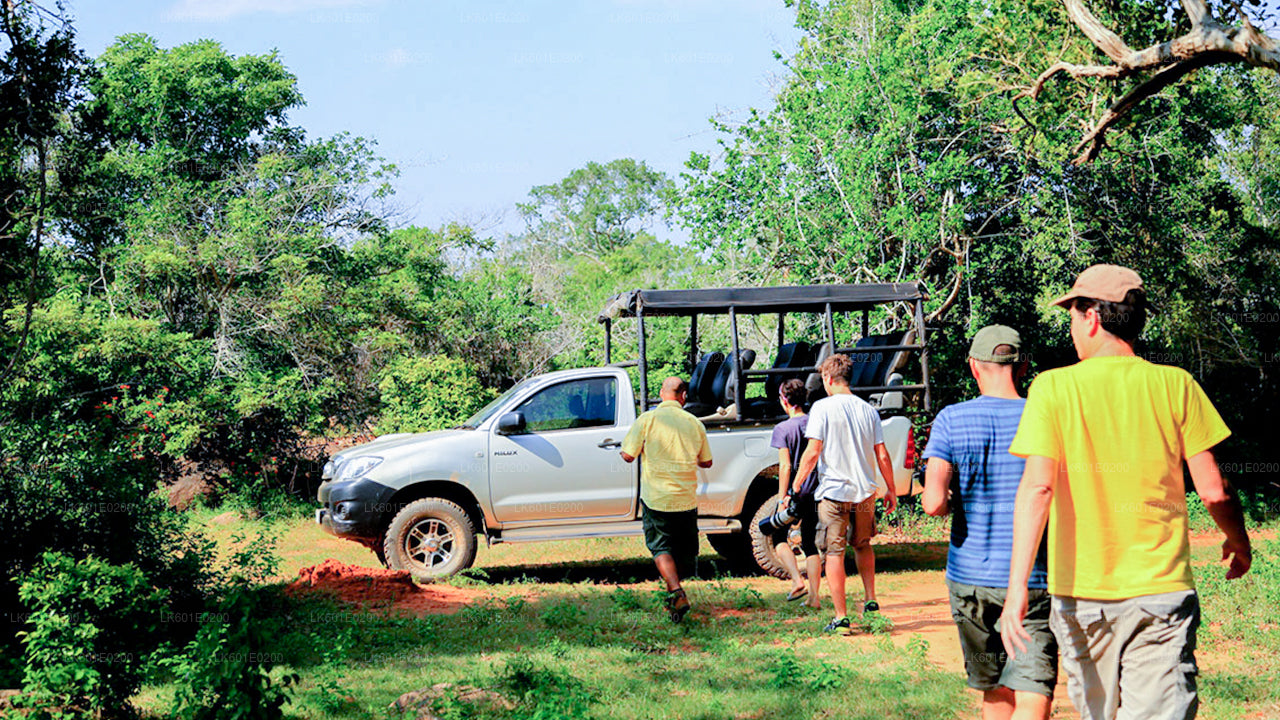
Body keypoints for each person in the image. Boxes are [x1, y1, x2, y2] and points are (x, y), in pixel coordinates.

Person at [1000, 264, 1252, 720]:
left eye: (1073, 314)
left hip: (1081, 596)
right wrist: (1239, 540)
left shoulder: (1052, 388)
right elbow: (1214, 491)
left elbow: (1038, 487)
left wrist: (1017, 587)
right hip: (1160, 591)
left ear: (1092, 316)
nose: (1072, 327)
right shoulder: (1176, 384)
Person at [922, 325, 1057, 720]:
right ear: (1024, 367)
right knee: (1033, 687)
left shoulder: (951, 419)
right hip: (1034, 576)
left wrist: (951, 501)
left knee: (993, 686)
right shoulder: (1045, 416)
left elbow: (932, 503)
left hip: (970, 580)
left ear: (973, 367)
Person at [794, 353, 898, 633]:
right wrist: (891, 489)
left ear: (828, 379)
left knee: (835, 553)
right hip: (864, 492)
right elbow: (882, 454)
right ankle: (871, 602)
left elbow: (813, 451)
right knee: (863, 545)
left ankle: (841, 618)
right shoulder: (868, 410)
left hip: (834, 492)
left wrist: (797, 482)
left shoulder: (821, 408)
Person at [620, 376, 713, 622]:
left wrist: (627, 449)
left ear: (662, 393)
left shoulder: (647, 420)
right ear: (683, 396)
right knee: (682, 550)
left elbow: (628, 456)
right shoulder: (694, 423)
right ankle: (674, 598)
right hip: (685, 499)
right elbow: (707, 461)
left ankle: (675, 591)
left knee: (661, 547)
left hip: (657, 499)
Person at [770, 378, 822, 608]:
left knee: (777, 537)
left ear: (784, 400)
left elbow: (785, 467)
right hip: (817, 491)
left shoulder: (782, 429)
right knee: (810, 544)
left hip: (795, 492)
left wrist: (783, 498)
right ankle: (814, 598)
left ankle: (797, 580)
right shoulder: (815, 422)